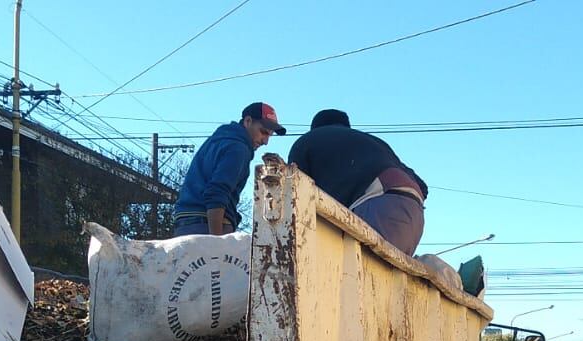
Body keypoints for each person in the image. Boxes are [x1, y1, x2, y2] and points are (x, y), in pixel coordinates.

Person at [286, 108, 428, 254]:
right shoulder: (373, 142)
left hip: (378, 206)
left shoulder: (307, 141)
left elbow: (294, 194)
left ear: (315, 128)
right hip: (414, 213)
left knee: (340, 267)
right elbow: (423, 187)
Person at [171, 102, 285, 237]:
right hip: (207, 223)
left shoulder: (218, 140)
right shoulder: (238, 148)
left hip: (185, 222)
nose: (265, 141)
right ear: (248, 121)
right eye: (263, 132)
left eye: (269, 135)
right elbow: (217, 193)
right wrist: (217, 242)